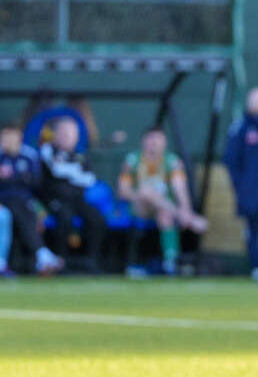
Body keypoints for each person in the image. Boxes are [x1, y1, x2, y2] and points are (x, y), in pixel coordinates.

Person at [118, 126, 208, 276]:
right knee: (146, 191)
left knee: (165, 214)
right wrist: (141, 194)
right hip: (139, 206)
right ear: (144, 141)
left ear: (164, 142)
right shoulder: (132, 160)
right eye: (151, 139)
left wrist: (185, 208)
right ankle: (189, 218)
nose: (154, 143)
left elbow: (180, 189)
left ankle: (170, 262)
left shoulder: (171, 161)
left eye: (158, 139)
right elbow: (123, 192)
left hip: (164, 207)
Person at [38, 117, 108, 273]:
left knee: (96, 219)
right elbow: (56, 170)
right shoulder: (47, 150)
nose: (68, 136)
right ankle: (61, 262)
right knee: (65, 218)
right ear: (55, 134)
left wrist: (69, 171)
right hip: (53, 199)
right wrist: (75, 172)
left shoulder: (80, 155)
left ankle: (91, 260)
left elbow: (89, 179)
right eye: (64, 132)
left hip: (76, 199)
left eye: (72, 133)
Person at [0, 122, 63, 275]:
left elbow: (36, 181)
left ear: (19, 137)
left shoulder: (29, 155)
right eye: (4, 137)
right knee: (9, 213)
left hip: (26, 202)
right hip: (3, 201)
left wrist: (12, 175)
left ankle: (41, 257)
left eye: (11, 136)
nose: (8, 140)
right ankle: (42, 255)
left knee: (25, 209)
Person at [224, 87, 258, 281]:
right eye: (255, 101)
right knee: (254, 228)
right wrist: (240, 185)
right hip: (250, 189)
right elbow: (231, 159)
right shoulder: (240, 127)